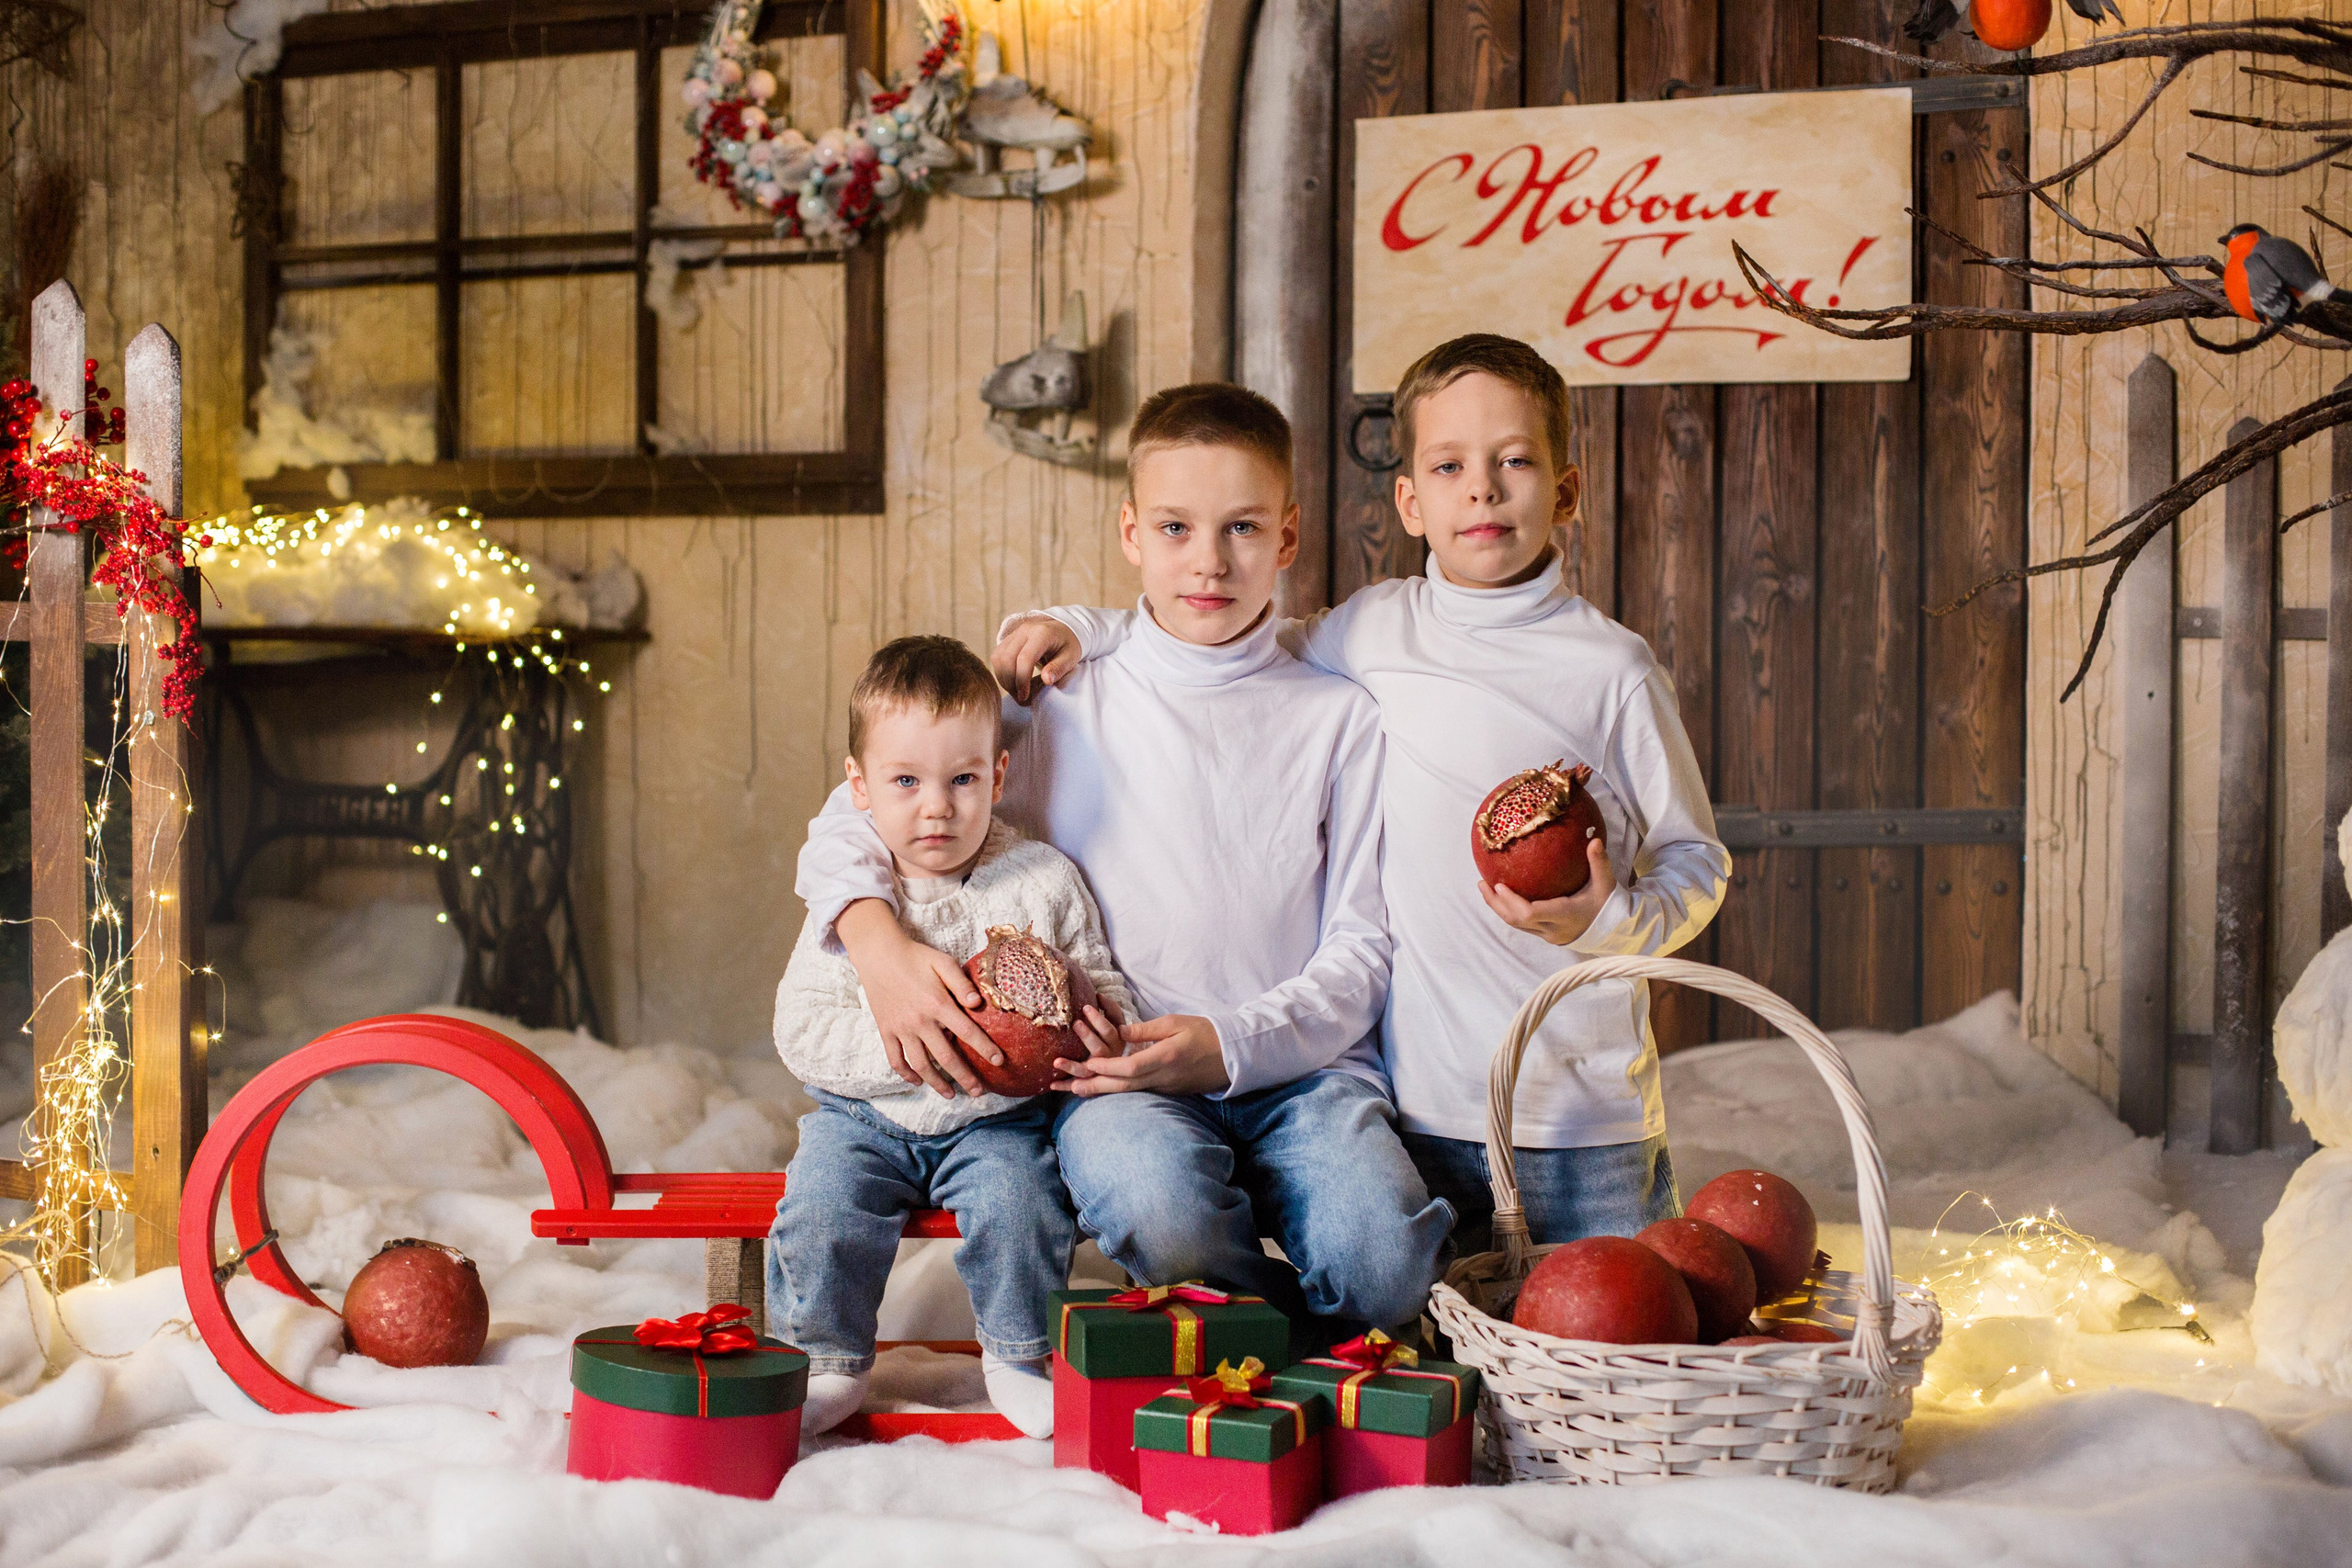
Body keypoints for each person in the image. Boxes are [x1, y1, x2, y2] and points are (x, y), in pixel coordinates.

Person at [994, 334, 1729, 1256]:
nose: (1483, 490)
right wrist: (1080, 628)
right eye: (1451, 465)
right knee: (1435, 1347)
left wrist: (1605, 920)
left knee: (1614, 1351)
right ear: (1410, 502)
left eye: (1514, 462)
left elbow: (1696, 864)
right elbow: (1216, 644)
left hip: (1586, 1107)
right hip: (1423, 1098)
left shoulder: (1612, 669)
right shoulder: (1372, 630)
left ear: (1567, 491)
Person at [796, 383, 1451, 1350]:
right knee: (1159, 1212)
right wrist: (874, 938)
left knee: (1384, 1259)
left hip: (1304, 1070)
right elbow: (856, 810)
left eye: (1241, 528)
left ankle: (1280, 1343)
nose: (1209, 561)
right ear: (1131, 532)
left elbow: (1361, 946)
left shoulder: (1337, 716)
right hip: (1116, 1074)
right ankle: (1276, 1355)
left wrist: (1229, 1044)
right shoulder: (1054, 697)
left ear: (1287, 535)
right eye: (1177, 527)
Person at [769, 635, 1130, 1439]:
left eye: (963, 779)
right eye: (906, 781)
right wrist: (914, 1059)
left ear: (998, 774)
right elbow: (800, 1029)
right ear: (859, 787)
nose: (937, 806)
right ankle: (827, 1355)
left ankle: (1015, 1351)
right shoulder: (853, 901)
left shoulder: (1041, 878)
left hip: (995, 1120)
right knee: (821, 1202)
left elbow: (1099, 976)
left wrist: (1098, 1023)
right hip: (865, 1118)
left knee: (1023, 1199)